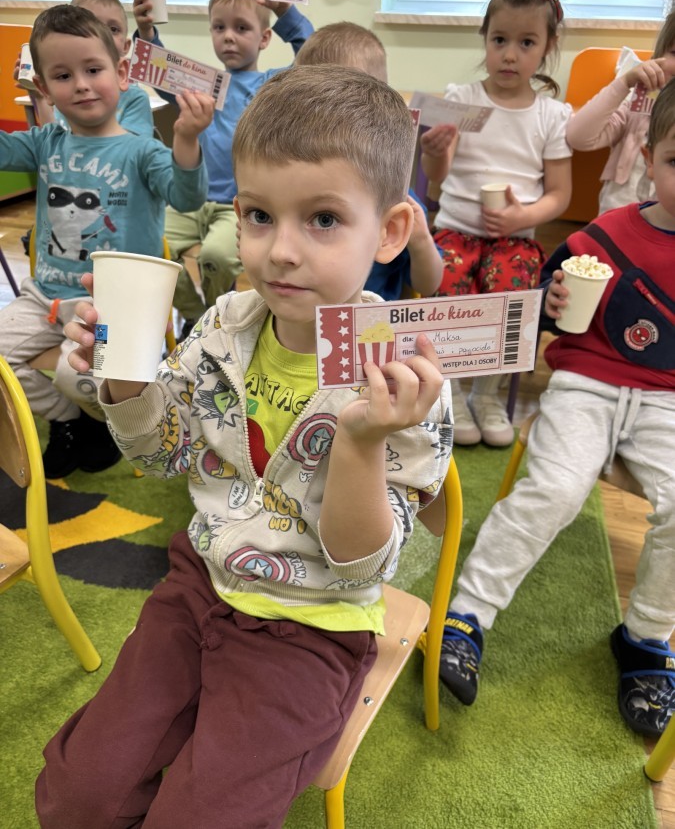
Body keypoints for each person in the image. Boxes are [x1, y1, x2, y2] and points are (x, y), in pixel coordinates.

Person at [35, 65, 453, 828]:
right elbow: (162, 457)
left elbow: (363, 566)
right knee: (78, 794)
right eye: (259, 215)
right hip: (202, 583)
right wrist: (124, 374)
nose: (280, 251)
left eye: (322, 219)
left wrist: (362, 440)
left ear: (390, 231)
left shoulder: (400, 372)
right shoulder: (225, 324)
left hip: (315, 625)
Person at [438, 77, 675, 739]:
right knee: (554, 491)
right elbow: (542, 306)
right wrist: (553, 303)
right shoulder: (607, 233)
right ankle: (467, 614)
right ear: (649, 158)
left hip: (665, 403)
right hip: (586, 385)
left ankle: (647, 637)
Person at [0, 4, 213, 479]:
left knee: (77, 376)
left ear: (121, 74)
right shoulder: (45, 142)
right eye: (63, 76)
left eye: (93, 70)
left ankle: (107, 424)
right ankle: (71, 422)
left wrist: (186, 139)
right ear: (44, 88)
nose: (81, 84)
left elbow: (187, 196)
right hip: (45, 298)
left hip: (112, 306)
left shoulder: (141, 150)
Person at [421, 0, 572, 447]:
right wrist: (434, 152)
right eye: (499, 40)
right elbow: (437, 179)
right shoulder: (461, 100)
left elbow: (560, 194)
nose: (509, 54)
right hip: (454, 231)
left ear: (547, 47)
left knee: (511, 297)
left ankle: (485, 395)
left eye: (526, 43)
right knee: (446, 283)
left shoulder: (551, 115)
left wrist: (522, 217)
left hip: (515, 239)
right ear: (484, 38)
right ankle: (449, 389)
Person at [133, 0, 314, 334]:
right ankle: (197, 317)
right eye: (219, 27)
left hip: (239, 205)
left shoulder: (271, 85)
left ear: (264, 39)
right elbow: (157, 69)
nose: (228, 36)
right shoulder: (204, 83)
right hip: (188, 201)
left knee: (216, 256)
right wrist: (146, 30)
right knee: (148, 250)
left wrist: (284, 11)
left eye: (241, 28)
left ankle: (218, 318)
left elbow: (312, 57)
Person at [295, 21, 444, 299]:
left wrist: (420, 240)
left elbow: (429, 283)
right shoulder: (291, 182)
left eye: (342, 106)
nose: (322, 122)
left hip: (369, 322)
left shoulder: (392, 194)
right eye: (308, 105)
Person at [566, 9, 675, 215]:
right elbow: (578, 137)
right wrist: (624, 83)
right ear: (658, 57)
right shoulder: (635, 107)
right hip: (617, 224)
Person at [24, 0, 155, 136]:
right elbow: (52, 142)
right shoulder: (67, 92)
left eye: (113, 29)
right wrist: (40, 96)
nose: (103, 36)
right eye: (90, 26)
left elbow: (134, 148)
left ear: (125, 46)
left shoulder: (134, 99)